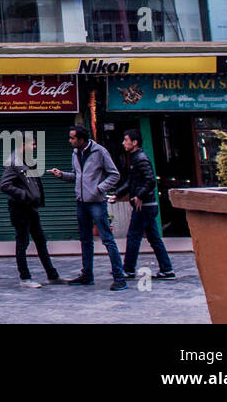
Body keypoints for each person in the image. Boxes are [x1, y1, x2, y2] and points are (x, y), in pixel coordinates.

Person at [48, 124, 127, 290]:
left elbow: (114, 174)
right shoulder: (76, 153)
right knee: (85, 240)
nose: (69, 141)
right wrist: (61, 175)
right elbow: (77, 176)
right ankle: (87, 275)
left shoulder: (100, 152)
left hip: (97, 202)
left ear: (81, 140)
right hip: (81, 202)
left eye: (72, 138)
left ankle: (119, 277)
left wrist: (99, 189)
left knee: (107, 239)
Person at [110, 129, 176, 281]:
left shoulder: (140, 158)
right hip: (147, 205)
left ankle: (128, 269)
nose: (123, 143)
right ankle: (167, 269)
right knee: (154, 238)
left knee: (133, 236)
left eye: (126, 140)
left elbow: (150, 180)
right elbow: (131, 181)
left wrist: (139, 195)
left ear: (134, 142)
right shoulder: (135, 158)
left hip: (144, 206)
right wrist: (118, 194)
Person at [0, 138, 62, 288]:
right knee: (23, 242)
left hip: (30, 208)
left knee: (40, 240)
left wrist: (35, 197)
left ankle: (52, 275)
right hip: (19, 208)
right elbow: (4, 185)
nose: (34, 147)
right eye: (32, 144)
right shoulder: (14, 162)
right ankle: (25, 278)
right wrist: (25, 195)